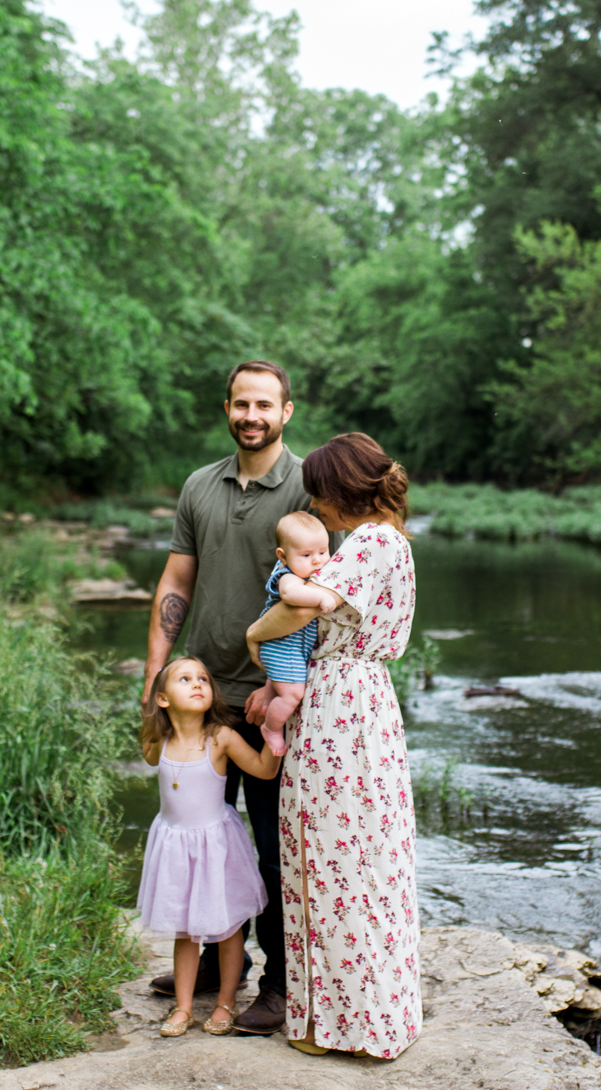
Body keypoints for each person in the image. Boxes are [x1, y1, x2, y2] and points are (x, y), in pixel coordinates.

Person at [142, 360, 342, 1035]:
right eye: (241, 404)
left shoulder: (311, 489)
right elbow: (176, 578)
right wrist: (157, 674)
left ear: (287, 411)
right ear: (226, 408)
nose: (251, 415)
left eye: (265, 404)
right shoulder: (201, 485)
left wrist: (279, 685)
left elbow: (322, 598)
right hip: (203, 700)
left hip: (271, 704)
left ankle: (279, 983)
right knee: (196, 836)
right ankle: (198, 967)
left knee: (272, 847)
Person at [246, 432, 422, 1060]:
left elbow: (301, 608)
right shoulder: (387, 542)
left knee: (334, 857)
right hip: (357, 702)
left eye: (320, 495)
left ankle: (344, 1022)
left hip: (342, 709)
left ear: (343, 490)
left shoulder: (373, 540)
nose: (316, 507)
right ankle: (345, 1013)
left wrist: (253, 630)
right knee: (355, 855)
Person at [138, 656, 279, 1037]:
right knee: (185, 930)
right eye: (185, 679)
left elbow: (264, 770)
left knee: (228, 927)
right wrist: (147, 716)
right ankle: (183, 1007)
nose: (198, 683)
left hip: (216, 848)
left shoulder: (220, 737)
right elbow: (147, 753)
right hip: (176, 847)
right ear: (164, 699)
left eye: (203, 678)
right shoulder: (161, 741)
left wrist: (274, 734)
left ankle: (225, 1002)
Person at [258, 512, 336, 756]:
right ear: (283, 556)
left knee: (279, 689)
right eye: (306, 555)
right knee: (293, 695)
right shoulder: (286, 576)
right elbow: (291, 595)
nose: (317, 561)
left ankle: (270, 709)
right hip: (281, 646)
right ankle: (271, 728)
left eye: (323, 552)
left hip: (292, 647)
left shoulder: (306, 572)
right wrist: (321, 597)